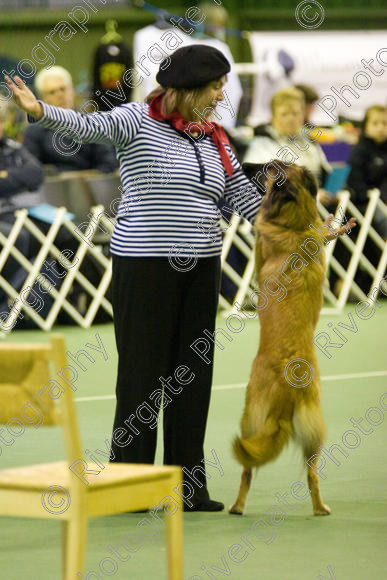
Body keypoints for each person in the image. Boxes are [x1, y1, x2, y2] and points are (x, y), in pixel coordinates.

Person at [5, 44, 354, 511]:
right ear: (188, 89)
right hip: (144, 266)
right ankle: (130, 487)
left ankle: (189, 490)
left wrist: (306, 234)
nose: (219, 96)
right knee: (141, 378)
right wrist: (40, 109)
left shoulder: (216, 138)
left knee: (192, 379)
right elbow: (89, 125)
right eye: (214, 87)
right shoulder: (135, 119)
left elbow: (242, 201)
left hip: (201, 268)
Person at [23, 66, 117, 174]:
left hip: (91, 187)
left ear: (72, 91)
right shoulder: (33, 132)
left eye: (63, 89)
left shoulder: (92, 124)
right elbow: (31, 171)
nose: (60, 95)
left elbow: (108, 163)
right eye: (52, 92)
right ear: (43, 98)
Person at [244, 87, 332, 196]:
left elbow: (326, 174)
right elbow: (264, 187)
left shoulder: (309, 141)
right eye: (284, 114)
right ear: (273, 117)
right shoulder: (262, 144)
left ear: (303, 115)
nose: (291, 119)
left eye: (295, 113)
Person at [346, 104, 387, 237]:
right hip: (364, 201)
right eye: (375, 123)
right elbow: (354, 178)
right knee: (382, 218)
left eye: (385, 123)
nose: (381, 128)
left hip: (383, 199)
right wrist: (372, 198)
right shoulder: (359, 150)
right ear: (366, 126)